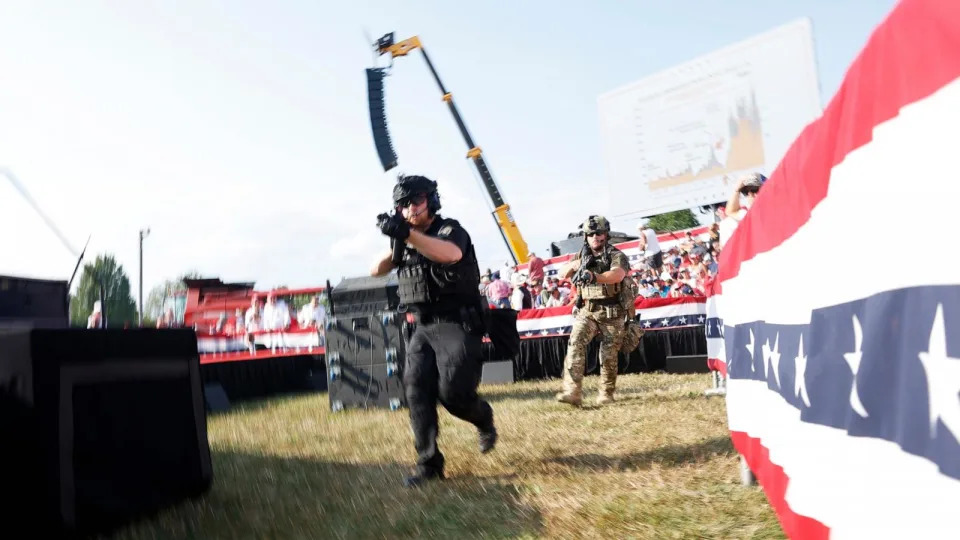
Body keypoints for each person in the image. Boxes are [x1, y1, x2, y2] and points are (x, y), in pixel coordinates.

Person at [370, 174, 497, 488]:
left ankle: (483, 418)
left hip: (457, 324)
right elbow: (376, 269)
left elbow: (450, 254)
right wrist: (396, 238)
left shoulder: (450, 230)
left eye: (416, 201)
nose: (410, 209)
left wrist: (408, 235)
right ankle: (429, 465)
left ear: (431, 200)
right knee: (415, 391)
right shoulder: (406, 237)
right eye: (403, 204)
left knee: (453, 394)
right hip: (424, 326)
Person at [556, 215, 631, 407]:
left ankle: (606, 394)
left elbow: (617, 275)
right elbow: (561, 274)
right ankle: (572, 391)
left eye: (599, 233)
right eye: (591, 234)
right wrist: (576, 265)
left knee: (608, 355)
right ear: (586, 236)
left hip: (612, 311)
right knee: (575, 342)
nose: (596, 237)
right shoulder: (581, 256)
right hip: (588, 310)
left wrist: (594, 276)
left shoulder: (616, 255)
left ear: (606, 234)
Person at [719, 172, 766, 249]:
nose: (750, 195)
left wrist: (737, 189)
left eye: (755, 190)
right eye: (746, 193)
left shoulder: (778, 210)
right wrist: (737, 190)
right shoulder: (746, 215)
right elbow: (730, 211)